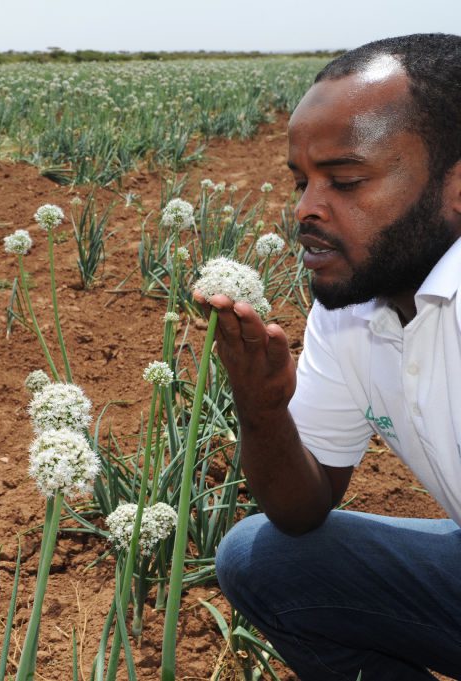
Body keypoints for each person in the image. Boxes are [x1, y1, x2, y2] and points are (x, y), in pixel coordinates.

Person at [200, 34, 461, 680]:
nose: (304, 209)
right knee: (263, 559)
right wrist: (263, 409)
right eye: (301, 181)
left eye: (344, 180)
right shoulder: (349, 312)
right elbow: (301, 507)